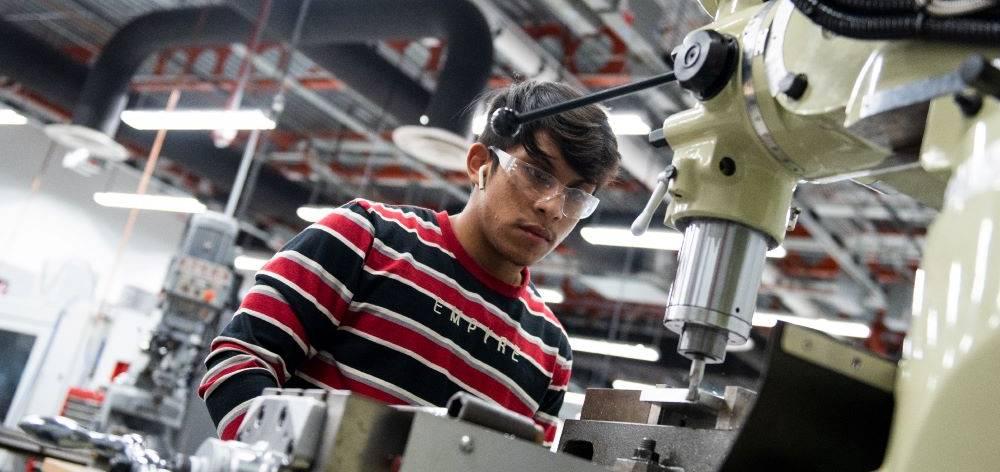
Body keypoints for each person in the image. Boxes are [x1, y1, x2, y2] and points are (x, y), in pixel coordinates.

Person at [198, 80, 621, 446]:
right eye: (537, 173)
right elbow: (239, 361)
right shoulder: (366, 238)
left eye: (577, 194)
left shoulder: (550, 351)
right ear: (480, 165)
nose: (553, 206)